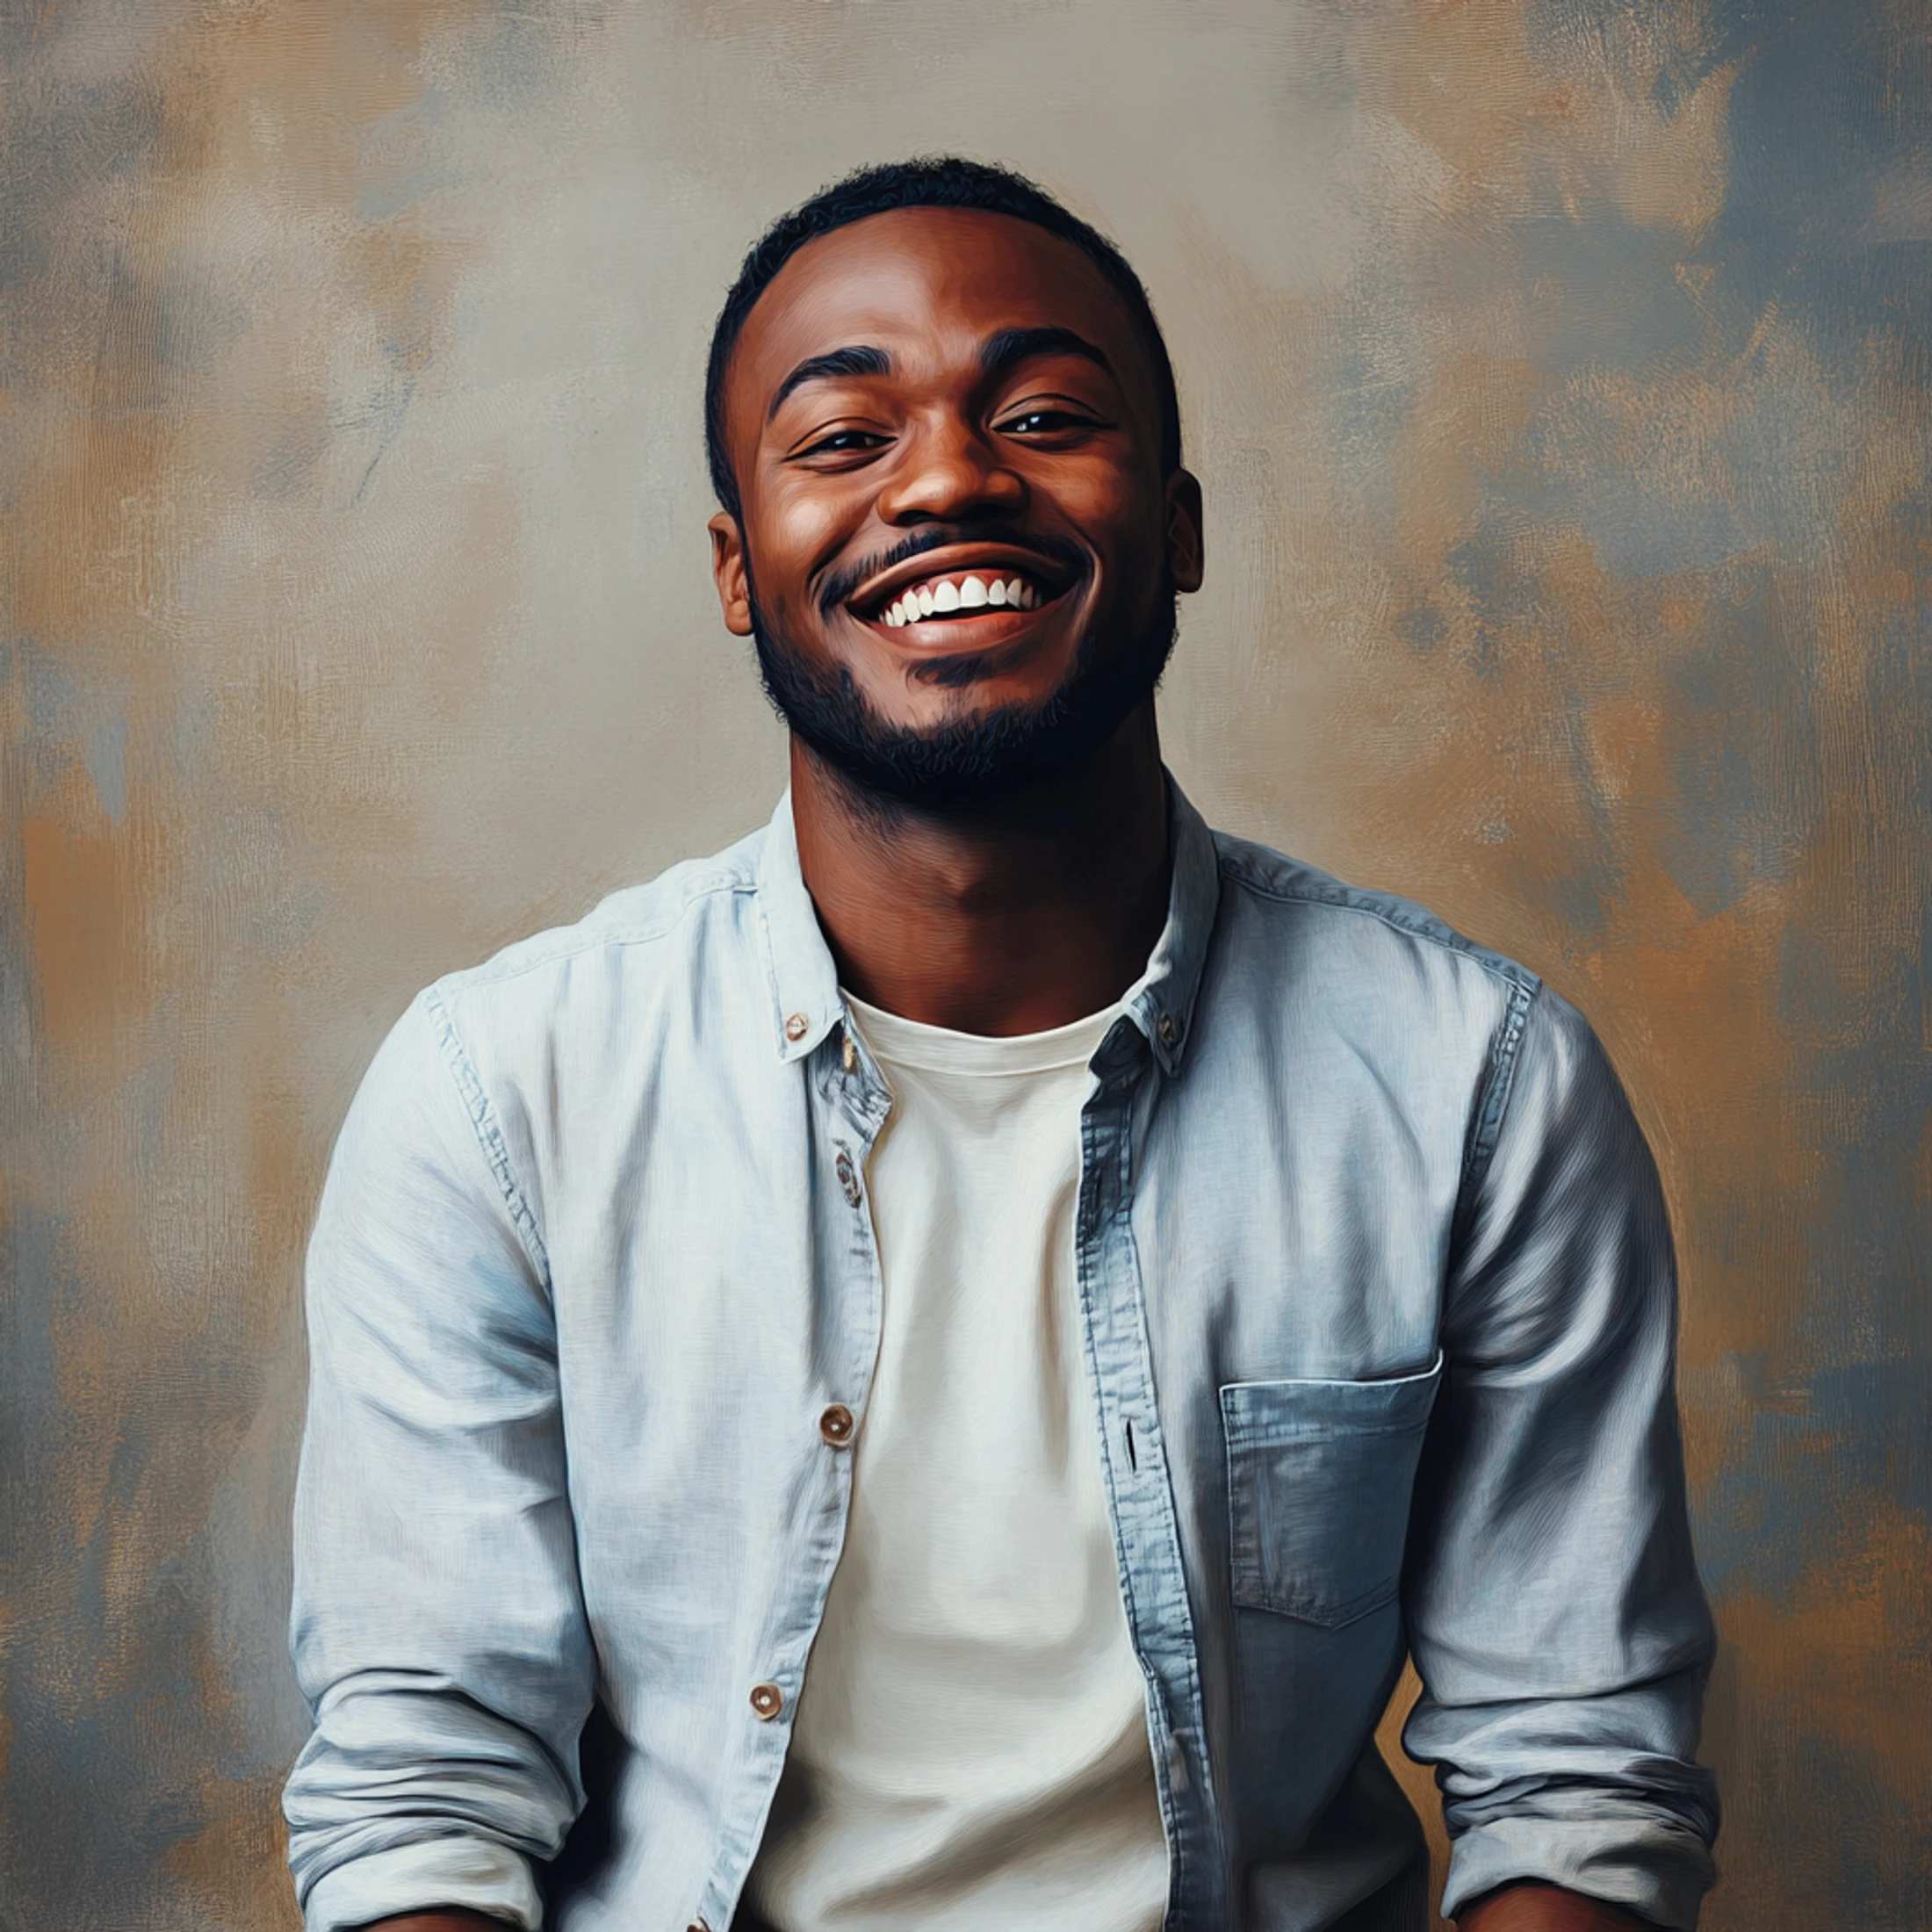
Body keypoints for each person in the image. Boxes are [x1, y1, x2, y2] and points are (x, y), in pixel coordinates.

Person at [282, 155, 1719, 1932]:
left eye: (1041, 414)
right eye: (842, 438)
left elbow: (1574, 1787)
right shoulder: (501, 1098)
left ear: (1177, 527)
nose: (951, 477)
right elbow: (424, 1796)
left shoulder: (1474, 1088)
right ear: (739, 570)